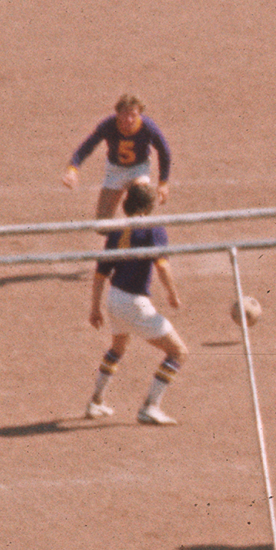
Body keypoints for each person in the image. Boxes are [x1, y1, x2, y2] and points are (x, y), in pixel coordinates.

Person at [83, 182, 187, 425]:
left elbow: (100, 274)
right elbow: (162, 266)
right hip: (134, 303)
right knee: (178, 352)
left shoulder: (116, 231)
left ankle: (96, 401)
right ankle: (150, 407)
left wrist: (95, 308)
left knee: (118, 348)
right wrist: (172, 294)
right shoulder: (154, 230)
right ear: (149, 206)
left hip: (114, 298)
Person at [62, 95, 171, 220]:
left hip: (139, 168)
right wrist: (72, 169)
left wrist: (163, 182)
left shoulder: (148, 127)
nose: (129, 120)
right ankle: (118, 236)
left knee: (140, 197)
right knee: (103, 224)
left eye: (133, 115)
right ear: (117, 114)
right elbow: (87, 146)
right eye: (124, 115)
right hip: (115, 170)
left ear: (140, 114)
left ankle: (138, 233)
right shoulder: (109, 125)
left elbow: (164, 151)